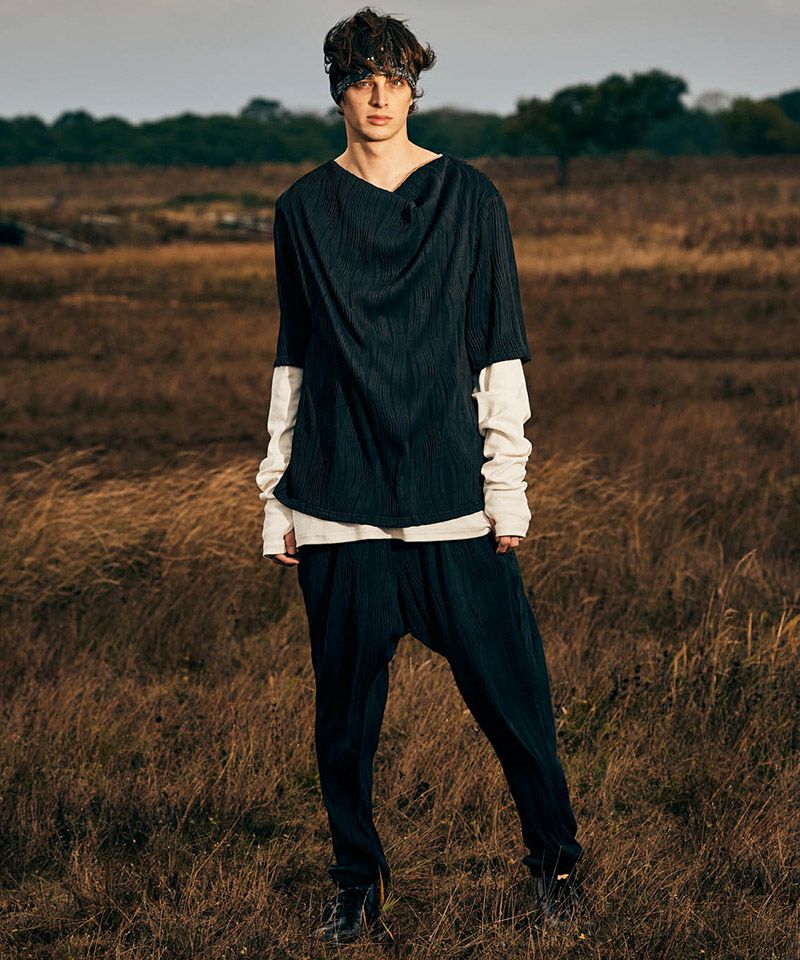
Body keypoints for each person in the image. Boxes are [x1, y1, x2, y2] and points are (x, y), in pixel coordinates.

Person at [255, 6, 585, 945]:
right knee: (344, 724)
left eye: (395, 79)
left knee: (517, 702)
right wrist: (275, 496)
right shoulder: (302, 209)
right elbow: (295, 357)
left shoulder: (469, 197)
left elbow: (498, 351)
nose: (379, 96)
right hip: (338, 504)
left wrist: (507, 488)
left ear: (414, 89)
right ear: (338, 91)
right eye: (363, 80)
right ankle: (356, 886)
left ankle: (557, 868)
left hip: (452, 507)